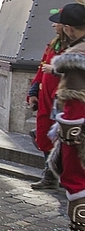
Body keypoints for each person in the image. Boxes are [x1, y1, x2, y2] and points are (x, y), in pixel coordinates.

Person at [44, 3, 85, 231]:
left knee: (75, 179)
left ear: (69, 28)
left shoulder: (76, 57)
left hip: (79, 132)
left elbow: (75, 107)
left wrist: (66, 133)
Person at [28, 13, 69, 189]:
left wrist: (56, 69)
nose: (54, 26)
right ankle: (49, 176)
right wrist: (33, 91)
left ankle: (65, 177)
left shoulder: (74, 48)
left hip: (62, 100)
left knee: (62, 139)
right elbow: (40, 71)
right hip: (46, 99)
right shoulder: (53, 45)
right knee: (43, 134)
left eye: (57, 23)